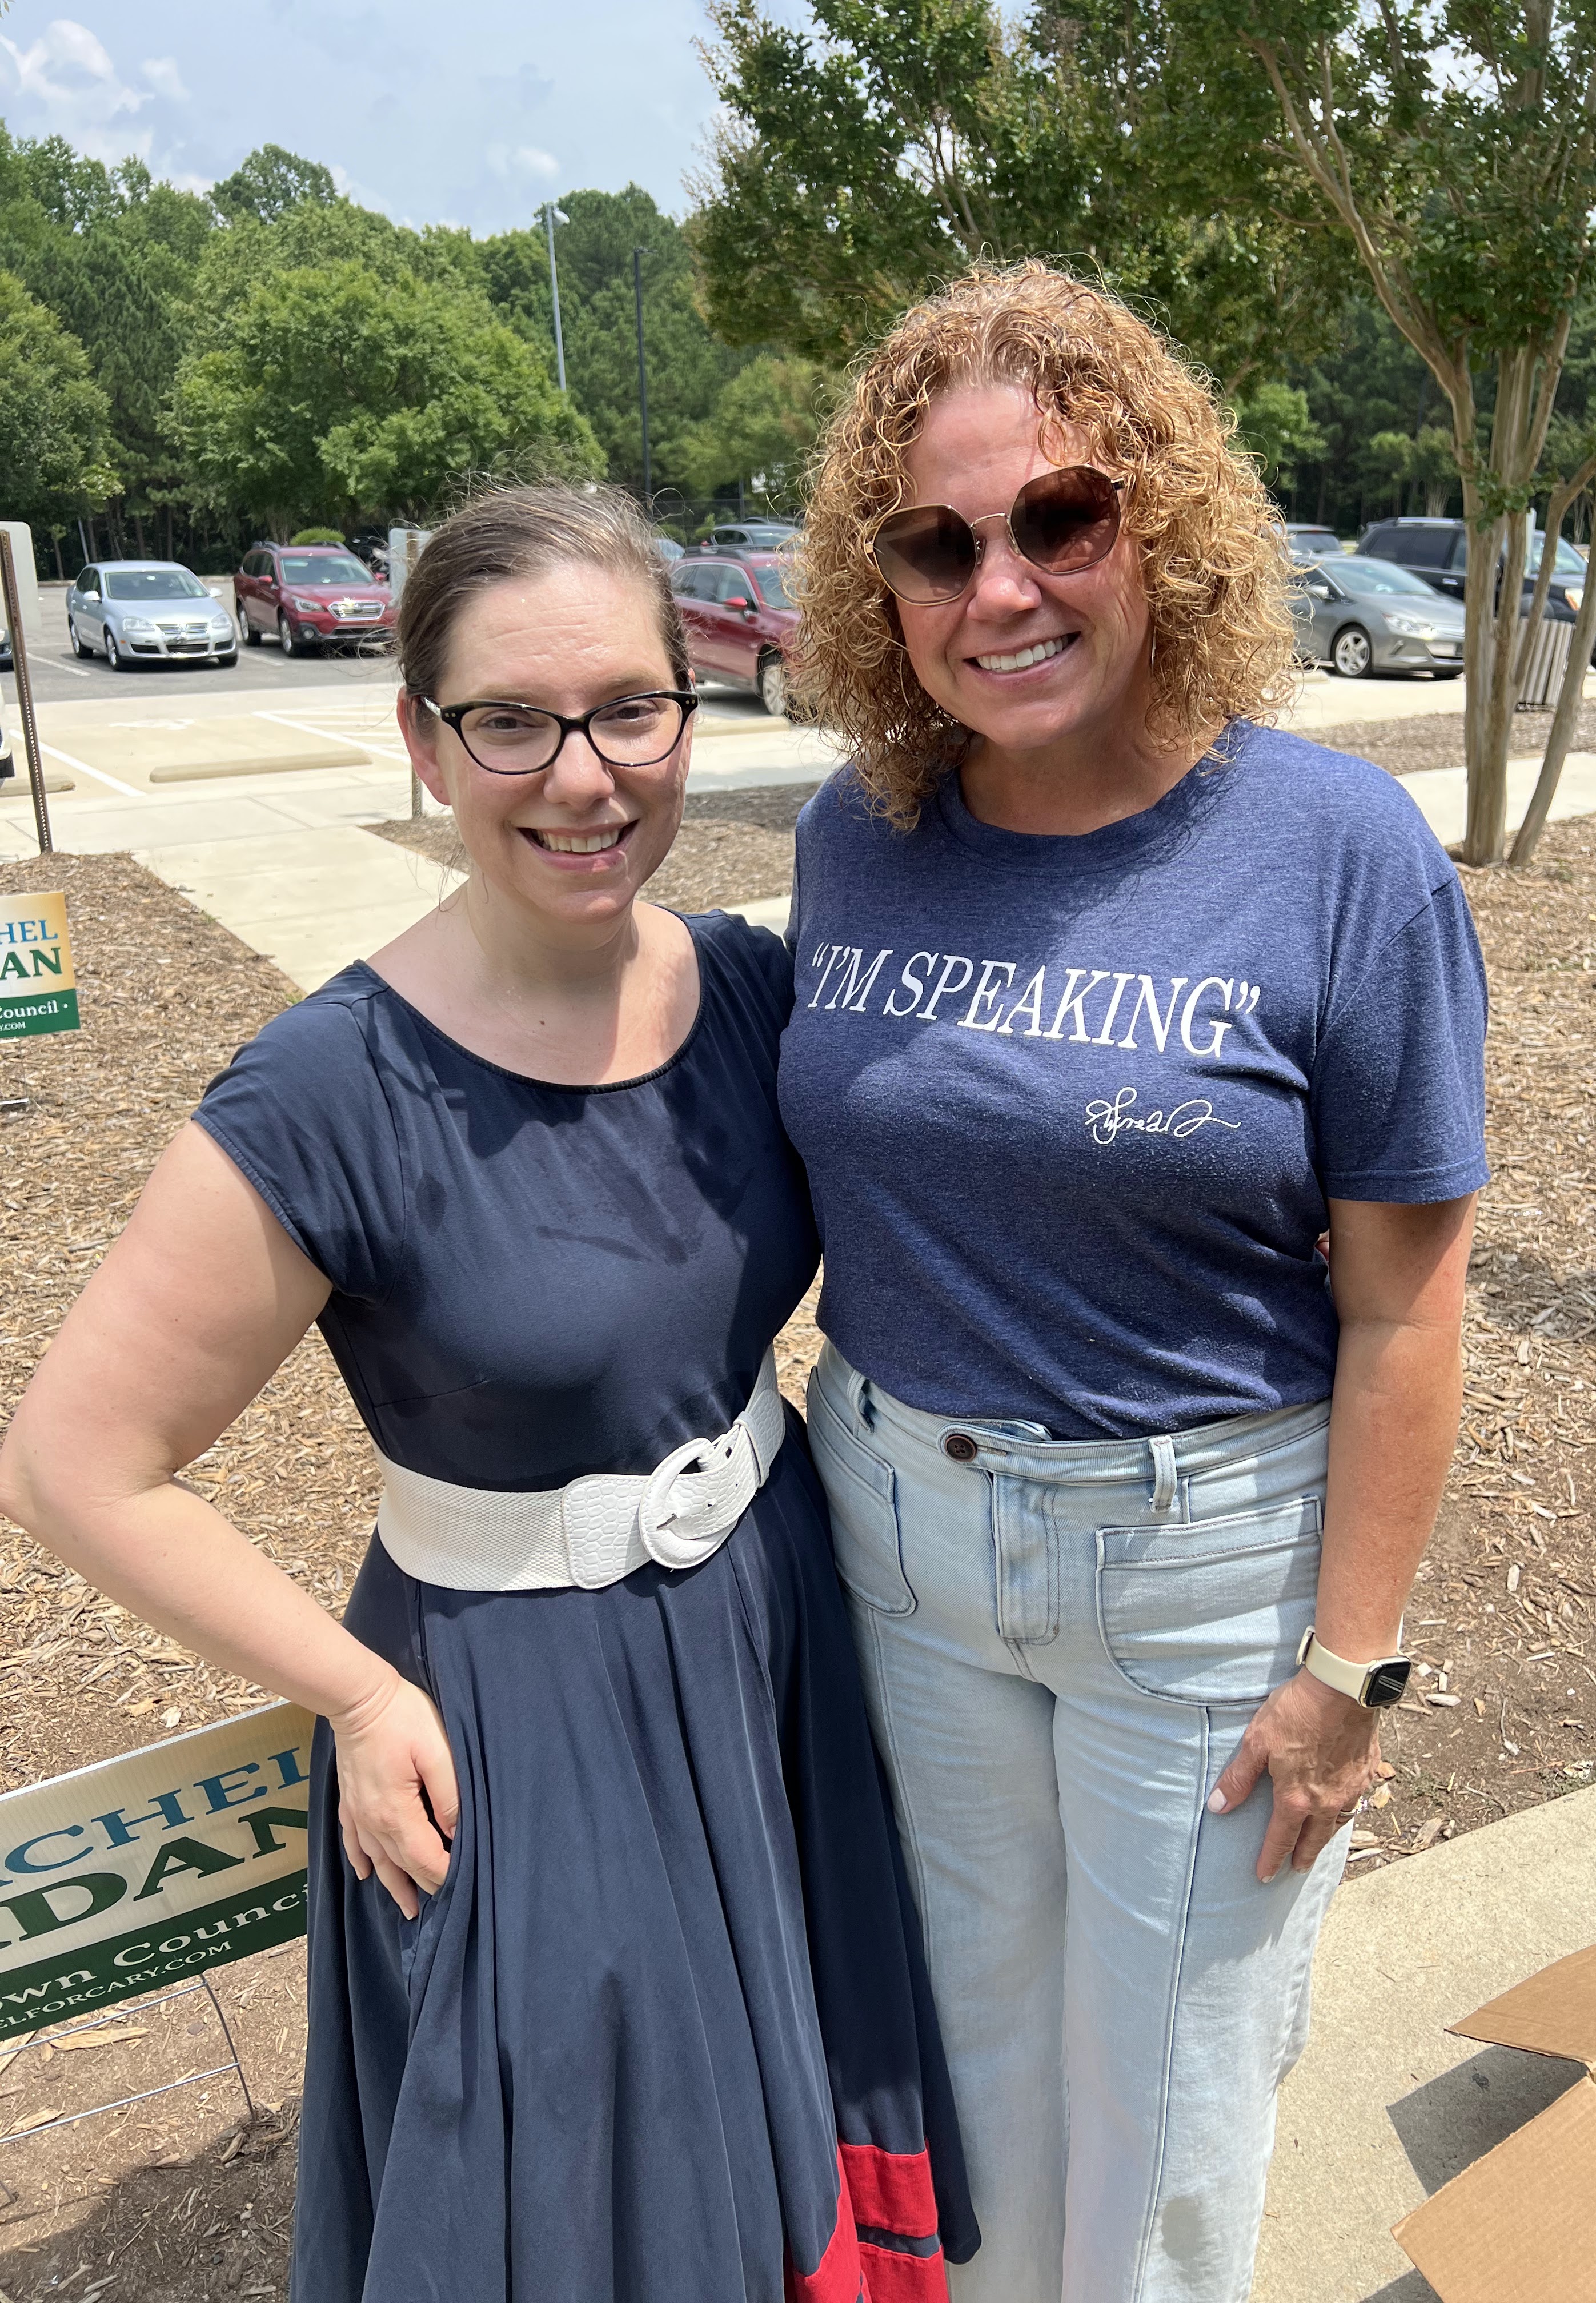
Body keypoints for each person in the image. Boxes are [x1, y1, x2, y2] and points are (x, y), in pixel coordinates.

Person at [0, 484, 976, 2303]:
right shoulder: (327, 1091)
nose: (584, 776)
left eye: (628, 708)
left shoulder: (757, 990)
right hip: (521, 1721)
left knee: (788, 2157)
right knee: (601, 2195)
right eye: (510, 723)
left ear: (692, 711)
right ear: (423, 743)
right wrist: (357, 1699)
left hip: (778, 1647)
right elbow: (71, 1465)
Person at [779, 262, 1488, 2303]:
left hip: (1205, 1581)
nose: (999, 588)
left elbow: (1405, 1304)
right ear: (879, 589)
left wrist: (1352, 1667)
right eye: (936, 542)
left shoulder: (1339, 852)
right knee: (981, 2082)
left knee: (1168, 2126)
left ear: (1157, 525)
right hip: (903, 1538)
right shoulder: (867, 832)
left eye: (1058, 519)